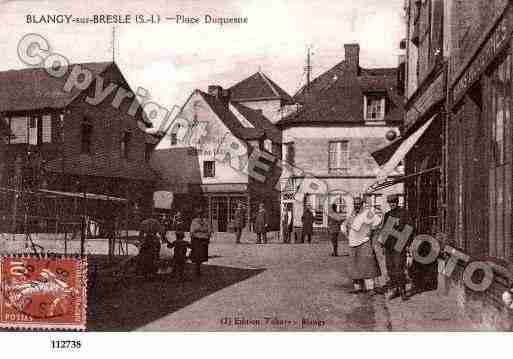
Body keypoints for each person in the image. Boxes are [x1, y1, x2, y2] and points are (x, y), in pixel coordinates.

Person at [342, 196, 382, 294]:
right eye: (355, 204)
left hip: (364, 242)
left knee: (367, 265)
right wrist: (347, 233)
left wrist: (371, 231)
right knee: (354, 265)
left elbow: (378, 221)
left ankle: (370, 288)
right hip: (353, 243)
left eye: (358, 204)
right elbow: (344, 226)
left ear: (362, 204)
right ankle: (358, 288)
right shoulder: (351, 214)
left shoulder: (367, 213)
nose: (356, 206)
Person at [380, 194, 410, 301]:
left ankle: (402, 291)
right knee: (390, 268)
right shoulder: (387, 215)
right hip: (389, 246)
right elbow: (384, 230)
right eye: (390, 202)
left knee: (399, 268)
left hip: (399, 245)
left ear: (397, 202)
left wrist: (407, 245)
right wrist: (383, 245)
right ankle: (394, 290)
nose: (392, 204)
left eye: (394, 202)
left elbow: (408, 228)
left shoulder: (404, 213)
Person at [189, 209, 212, 277]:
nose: (200, 216)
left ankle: (198, 268)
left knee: (201, 256)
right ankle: (197, 269)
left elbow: (209, 230)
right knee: (197, 256)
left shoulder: (206, 221)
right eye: (199, 214)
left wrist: (208, 237)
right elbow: (192, 231)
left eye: (201, 214)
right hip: (197, 240)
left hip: (202, 240)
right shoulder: (194, 221)